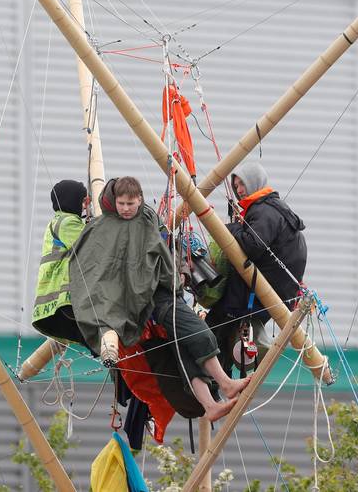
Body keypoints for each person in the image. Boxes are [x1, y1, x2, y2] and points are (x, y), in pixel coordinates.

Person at [68, 176, 250, 421]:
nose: (125, 209)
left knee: (186, 352)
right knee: (200, 334)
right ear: (114, 201)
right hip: (154, 302)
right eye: (121, 203)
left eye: (130, 203)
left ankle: (211, 404)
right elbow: (95, 269)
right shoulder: (104, 228)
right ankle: (225, 385)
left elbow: (161, 251)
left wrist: (176, 277)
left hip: (159, 295)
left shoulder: (147, 218)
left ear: (140, 200)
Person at [206, 161, 307, 373]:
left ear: (255, 183)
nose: (239, 190)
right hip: (278, 289)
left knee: (214, 324)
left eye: (242, 184)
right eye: (236, 185)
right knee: (224, 326)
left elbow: (252, 246)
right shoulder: (272, 208)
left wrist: (229, 229)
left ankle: (214, 380)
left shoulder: (264, 211)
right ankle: (223, 378)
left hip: (265, 288)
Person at [30, 179, 90, 345]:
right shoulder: (67, 222)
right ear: (73, 200)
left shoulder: (56, 221)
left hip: (50, 303)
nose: (85, 206)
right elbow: (93, 244)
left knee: (91, 341)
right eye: (83, 201)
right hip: (64, 299)